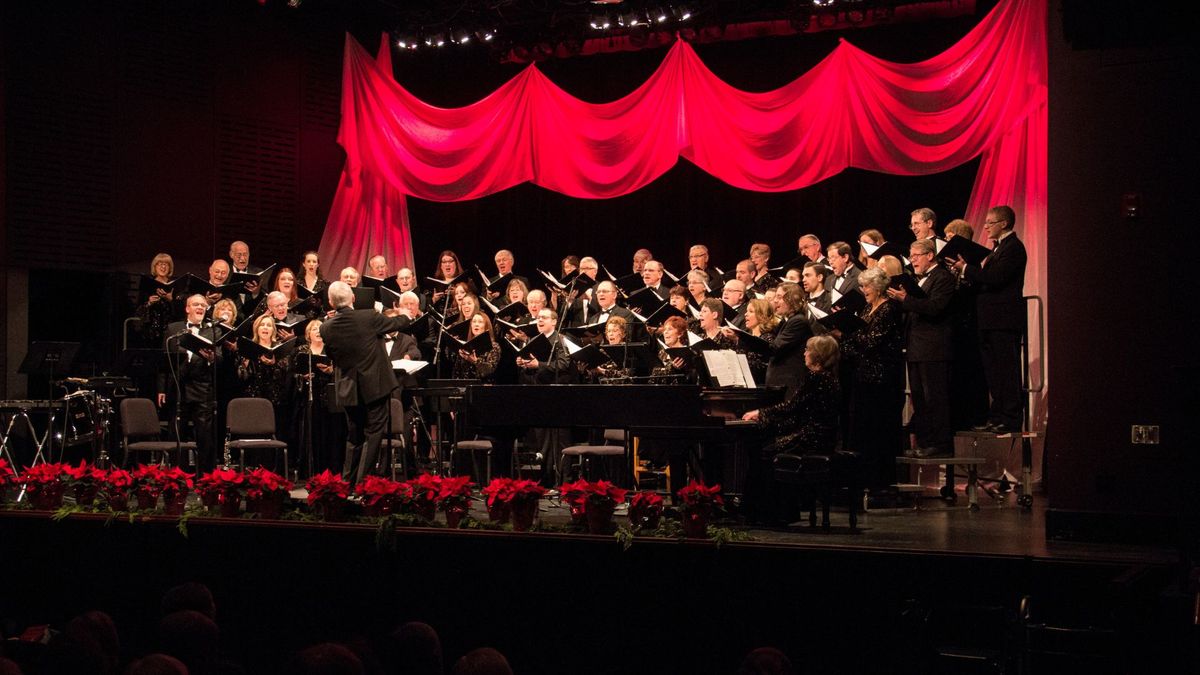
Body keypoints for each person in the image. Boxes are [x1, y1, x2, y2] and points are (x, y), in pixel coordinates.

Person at [319, 281, 412, 484]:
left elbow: (334, 357)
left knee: (354, 437)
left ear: (331, 302)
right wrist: (405, 313)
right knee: (373, 435)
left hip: (349, 389)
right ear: (353, 297)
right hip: (375, 387)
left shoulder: (326, 327)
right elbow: (399, 324)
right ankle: (363, 484)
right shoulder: (368, 316)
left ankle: (347, 483)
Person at [742, 335, 840, 524]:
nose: (804, 353)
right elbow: (801, 410)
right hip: (822, 436)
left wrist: (760, 413)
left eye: (807, 350)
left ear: (817, 356)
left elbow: (792, 407)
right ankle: (779, 510)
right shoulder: (830, 377)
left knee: (765, 452)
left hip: (811, 437)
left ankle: (770, 513)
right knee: (768, 446)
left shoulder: (816, 378)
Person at [950, 205, 1027, 434]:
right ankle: (998, 414)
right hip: (990, 320)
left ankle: (1010, 417)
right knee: (994, 372)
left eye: (990, 222)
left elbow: (996, 278)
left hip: (1003, 320)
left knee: (1007, 370)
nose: (985, 226)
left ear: (1003, 223)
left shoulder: (1013, 248)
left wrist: (967, 269)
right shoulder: (996, 250)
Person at [838, 267, 905, 495]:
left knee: (878, 427)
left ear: (877, 287)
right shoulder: (868, 307)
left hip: (881, 378)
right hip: (862, 373)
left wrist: (850, 332)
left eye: (866, 286)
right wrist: (848, 335)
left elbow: (872, 341)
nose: (863, 290)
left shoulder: (889, 309)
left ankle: (879, 480)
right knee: (862, 427)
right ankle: (861, 477)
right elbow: (854, 342)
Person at [889, 238, 955, 458]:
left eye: (917, 255)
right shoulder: (918, 280)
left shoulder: (942, 277)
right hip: (916, 346)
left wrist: (906, 299)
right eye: (911, 255)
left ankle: (940, 443)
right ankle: (925, 442)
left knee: (934, 397)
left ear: (930, 255)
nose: (913, 259)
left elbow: (936, 307)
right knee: (919, 398)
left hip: (934, 348)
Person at [159, 294, 221, 472]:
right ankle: (178, 475)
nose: (200, 308)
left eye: (203, 305)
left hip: (202, 388)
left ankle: (206, 477)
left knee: (204, 435)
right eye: (196, 305)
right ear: (187, 308)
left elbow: (221, 359)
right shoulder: (173, 329)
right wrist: (161, 389)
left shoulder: (213, 330)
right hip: (177, 387)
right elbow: (164, 361)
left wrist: (211, 358)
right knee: (177, 433)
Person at [515, 307, 575, 485]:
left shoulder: (561, 340)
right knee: (543, 442)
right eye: (538, 318)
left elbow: (563, 364)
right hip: (540, 396)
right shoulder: (533, 340)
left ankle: (564, 481)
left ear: (554, 321)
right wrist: (524, 364)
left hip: (559, 398)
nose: (540, 320)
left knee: (560, 441)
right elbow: (530, 370)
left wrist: (537, 364)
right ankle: (547, 480)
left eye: (544, 318)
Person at [295, 319, 344, 476]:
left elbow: (344, 371)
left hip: (329, 396)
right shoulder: (301, 350)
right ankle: (311, 470)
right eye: (313, 329)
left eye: (320, 328)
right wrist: (303, 377)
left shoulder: (332, 350)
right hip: (309, 396)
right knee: (311, 431)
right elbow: (292, 373)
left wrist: (332, 372)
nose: (317, 331)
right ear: (308, 334)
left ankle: (331, 469)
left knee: (331, 432)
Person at [764, 283, 815, 395]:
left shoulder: (798, 321)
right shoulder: (787, 320)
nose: (775, 301)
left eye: (779, 297)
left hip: (789, 384)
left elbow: (775, 347)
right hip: (780, 383)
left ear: (791, 300)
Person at [136, 252, 181, 345]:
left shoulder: (174, 287)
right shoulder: (147, 285)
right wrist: (149, 303)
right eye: (160, 264)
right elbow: (137, 310)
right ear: (155, 267)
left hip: (170, 330)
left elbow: (181, 312)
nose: (163, 267)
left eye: (166, 264)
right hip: (150, 332)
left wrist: (171, 300)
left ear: (170, 268)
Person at [452, 312, 501, 382]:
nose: (476, 324)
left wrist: (475, 361)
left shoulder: (494, 346)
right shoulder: (465, 344)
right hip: (463, 387)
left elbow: (490, 370)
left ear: (486, 326)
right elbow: (457, 371)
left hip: (483, 387)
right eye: (474, 322)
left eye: (480, 322)